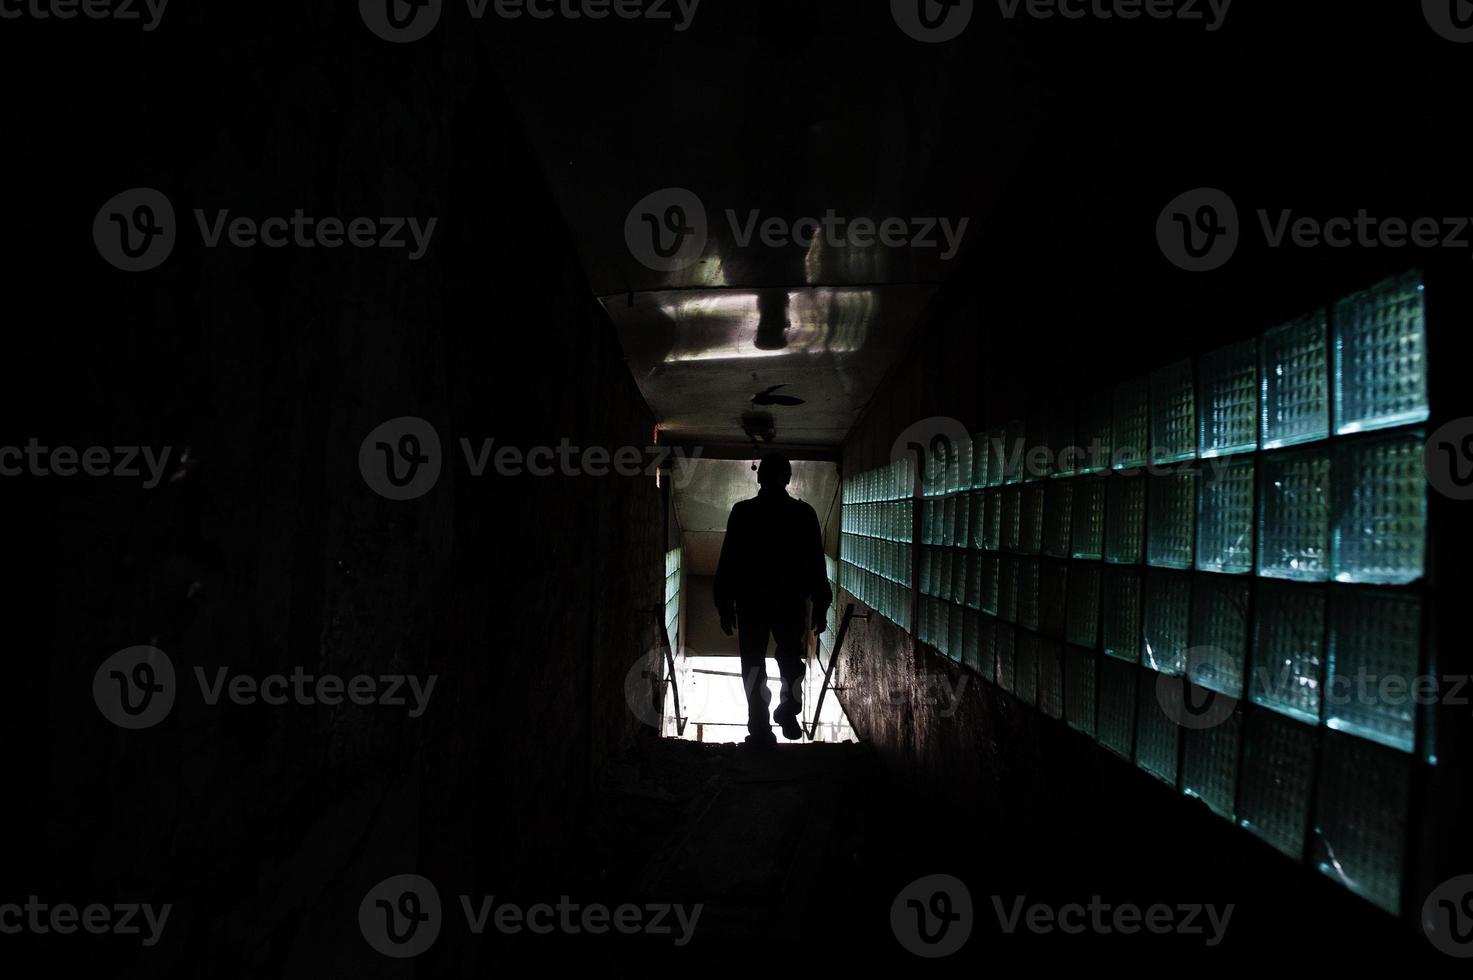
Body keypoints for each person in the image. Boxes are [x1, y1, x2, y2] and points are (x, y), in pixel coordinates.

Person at [714, 453, 832, 745]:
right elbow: (816, 562)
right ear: (789, 478)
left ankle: (759, 725)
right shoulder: (804, 514)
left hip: (751, 601)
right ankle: (788, 709)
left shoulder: (742, 512)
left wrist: (724, 602)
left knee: (753, 662)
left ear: (758, 477)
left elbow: (728, 559)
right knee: (790, 659)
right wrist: (820, 603)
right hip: (789, 601)